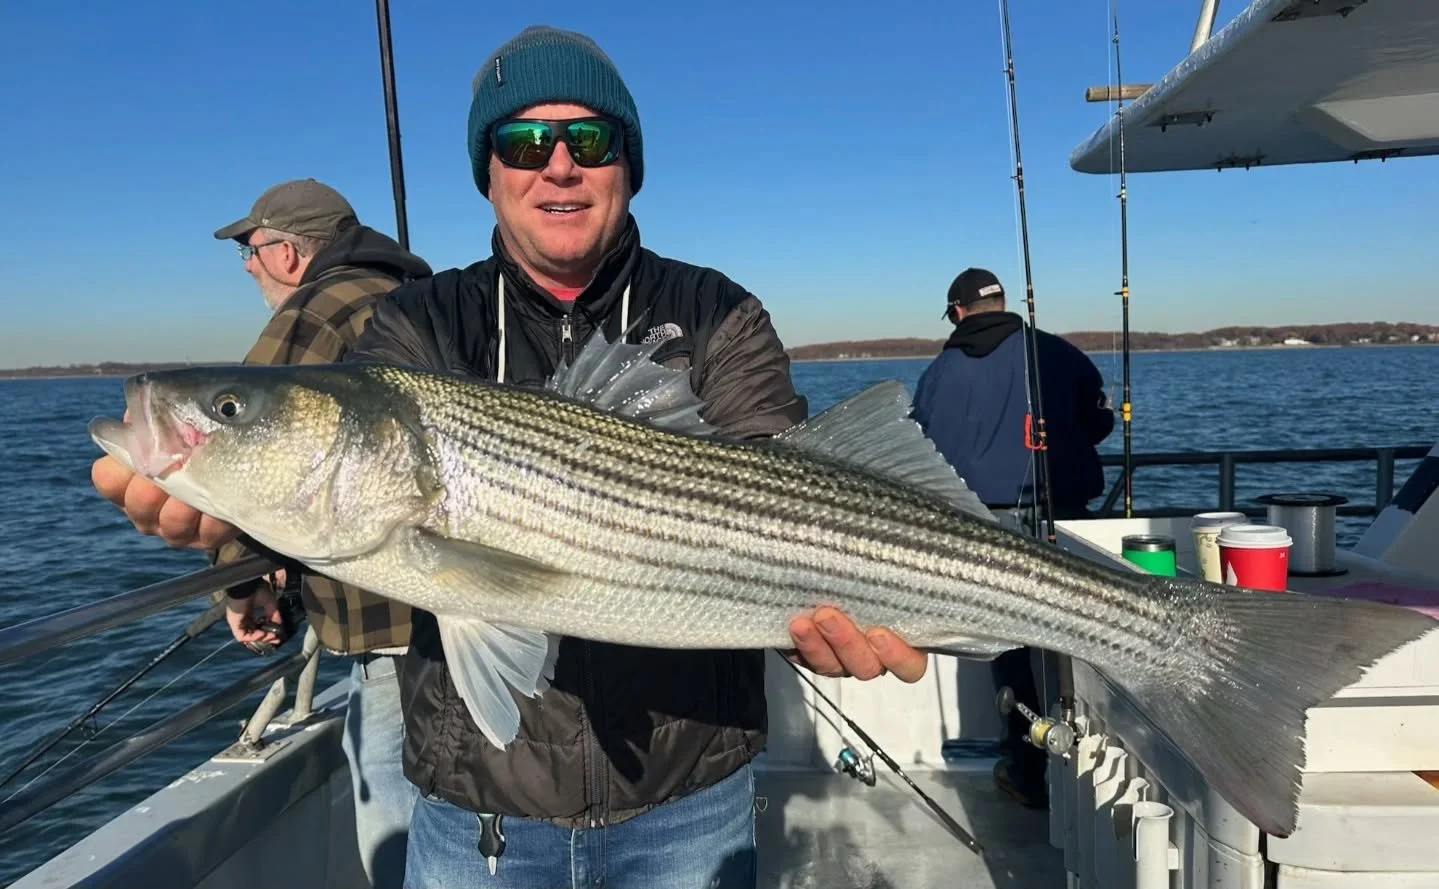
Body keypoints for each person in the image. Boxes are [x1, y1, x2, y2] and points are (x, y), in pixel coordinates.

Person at [335, 25, 931, 889]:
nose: (559, 165)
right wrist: (231, 525)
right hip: (482, 811)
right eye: (524, 141)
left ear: (627, 162)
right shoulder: (417, 323)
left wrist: (838, 597)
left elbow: (787, 482)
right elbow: (335, 484)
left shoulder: (714, 310)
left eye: (591, 139)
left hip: (688, 802)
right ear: (490, 173)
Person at [90, 178, 432, 889]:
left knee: (395, 808)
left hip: (384, 619)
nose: (247, 265)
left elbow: (269, 462)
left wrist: (242, 579)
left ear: (288, 252)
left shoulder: (315, 312)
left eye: (250, 249)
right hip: (463, 611)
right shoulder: (425, 299)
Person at [910, 266, 1115, 810]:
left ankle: (1029, 770)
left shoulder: (937, 376)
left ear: (957, 312)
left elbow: (918, 453)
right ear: (1002, 304)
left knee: (1008, 646)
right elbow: (1099, 423)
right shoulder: (1059, 355)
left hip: (983, 533)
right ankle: (1098, 768)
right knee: (1084, 633)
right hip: (1065, 522)